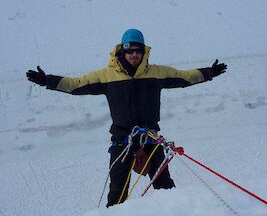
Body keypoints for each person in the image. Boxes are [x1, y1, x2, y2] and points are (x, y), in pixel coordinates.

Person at [26, 29, 227, 207]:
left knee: (165, 188)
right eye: (129, 50)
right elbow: (75, 84)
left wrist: (209, 72)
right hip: (122, 142)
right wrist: (47, 80)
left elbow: (185, 77)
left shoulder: (156, 72)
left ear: (143, 52)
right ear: (122, 51)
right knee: (117, 196)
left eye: (138, 51)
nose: (134, 55)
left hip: (150, 139)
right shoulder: (107, 75)